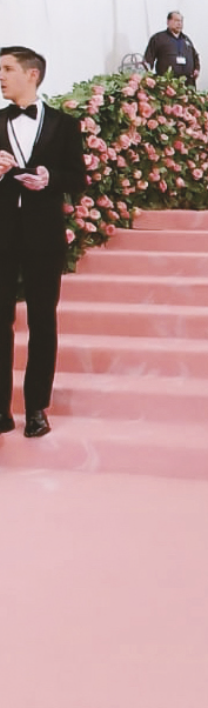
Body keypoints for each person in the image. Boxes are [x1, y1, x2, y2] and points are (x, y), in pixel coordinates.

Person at [0, 46, 87, 438]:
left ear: (31, 74)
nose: (1, 77)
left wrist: (50, 179)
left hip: (44, 235)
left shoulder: (64, 125)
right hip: (2, 233)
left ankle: (36, 408)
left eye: (7, 69)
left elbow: (78, 178)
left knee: (42, 319)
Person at [144, 11, 200, 85]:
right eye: (176, 20)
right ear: (168, 22)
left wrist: (197, 68)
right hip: (167, 83)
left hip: (187, 82)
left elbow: (195, 56)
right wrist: (147, 76)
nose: (179, 23)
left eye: (181, 21)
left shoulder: (186, 40)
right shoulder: (158, 38)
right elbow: (149, 58)